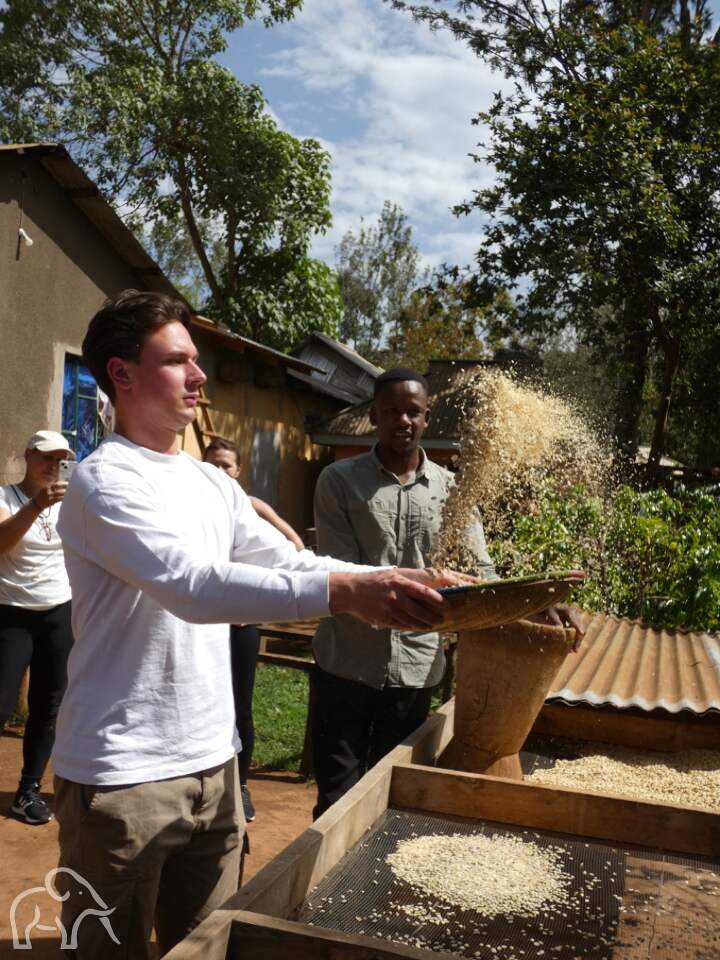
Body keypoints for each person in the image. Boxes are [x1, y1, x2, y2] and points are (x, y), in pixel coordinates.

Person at [53, 291, 459, 960]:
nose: (199, 375)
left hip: (215, 768)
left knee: (208, 949)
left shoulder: (210, 484)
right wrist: (348, 590)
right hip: (123, 778)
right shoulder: (104, 482)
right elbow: (192, 584)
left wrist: (415, 581)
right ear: (122, 374)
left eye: (196, 359)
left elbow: (290, 560)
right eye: (178, 360)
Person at [310, 367, 584, 819]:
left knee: (397, 798)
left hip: (416, 672)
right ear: (374, 417)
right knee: (336, 799)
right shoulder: (339, 481)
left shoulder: (453, 489)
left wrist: (540, 599)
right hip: (346, 666)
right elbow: (341, 572)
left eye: (413, 412)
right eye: (392, 411)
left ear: (426, 419)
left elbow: (481, 573)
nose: (403, 421)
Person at [203, 436, 304, 822]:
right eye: (212, 463)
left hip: (241, 626)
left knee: (240, 706)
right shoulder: (190, 507)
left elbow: (293, 547)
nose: (218, 471)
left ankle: (240, 786)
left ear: (239, 470)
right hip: (201, 625)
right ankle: (205, 789)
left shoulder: (252, 507)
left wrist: (256, 595)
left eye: (226, 465)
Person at [0, 430, 75, 825]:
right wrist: (34, 506)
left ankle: (27, 791)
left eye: (61, 459)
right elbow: (2, 543)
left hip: (58, 613)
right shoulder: (5, 496)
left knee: (49, 706)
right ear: (27, 456)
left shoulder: (70, 504)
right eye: (46, 457)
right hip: (11, 614)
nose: (52, 465)